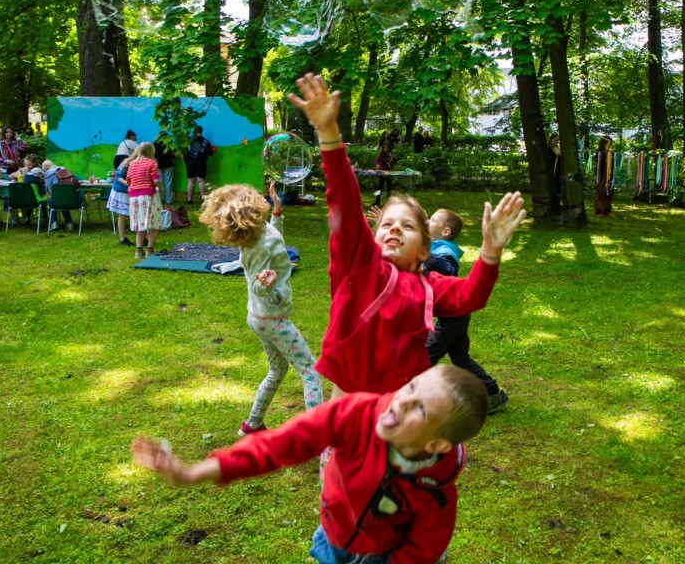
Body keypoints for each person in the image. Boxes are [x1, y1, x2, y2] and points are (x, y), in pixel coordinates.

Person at [289, 72, 526, 399]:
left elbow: (472, 296)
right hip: (350, 396)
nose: (395, 228)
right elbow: (343, 195)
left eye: (408, 226)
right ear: (372, 237)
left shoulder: (429, 285)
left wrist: (490, 252)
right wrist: (328, 133)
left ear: (424, 251)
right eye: (387, 224)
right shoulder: (359, 264)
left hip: (402, 402)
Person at [132, 364, 489, 564]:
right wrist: (193, 472)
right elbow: (279, 445)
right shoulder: (354, 415)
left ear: (436, 444)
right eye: (411, 387)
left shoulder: (436, 491)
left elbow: (422, 549)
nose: (402, 401)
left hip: (383, 554)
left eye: (421, 409)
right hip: (334, 535)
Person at [199, 182, 322, 437]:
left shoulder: (259, 233)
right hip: (272, 318)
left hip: (260, 317)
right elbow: (257, 287)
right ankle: (320, 436)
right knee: (310, 371)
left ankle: (253, 424)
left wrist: (277, 212)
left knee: (278, 369)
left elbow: (276, 240)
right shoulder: (258, 247)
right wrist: (265, 284)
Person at [423, 208, 509, 414]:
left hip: (454, 315)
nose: (427, 220)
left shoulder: (446, 250)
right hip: (452, 314)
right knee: (460, 358)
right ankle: (493, 393)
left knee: (425, 356)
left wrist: (426, 256)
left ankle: (417, 398)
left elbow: (449, 269)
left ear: (445, 231)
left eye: (432, 219)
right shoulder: (431, 245)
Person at [126, 141, 161, 258]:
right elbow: (156, 180)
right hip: (148, 196)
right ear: (151, 151)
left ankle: (138, 250)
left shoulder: (132, 164)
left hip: (134, 198)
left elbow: (129, 181)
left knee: (139, 224)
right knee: (155, 223)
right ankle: (149, 250)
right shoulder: (151, 163)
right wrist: (161, 189)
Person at [106, 153, 132, 247]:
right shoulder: (127, 162)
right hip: (121, 192)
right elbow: (118, 177)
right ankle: (122, 239)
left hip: (128, 191)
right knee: (122, 215)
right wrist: (129, 184)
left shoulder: (132, 162)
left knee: (131, 214)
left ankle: (141, 237)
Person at [183, 126, 213, 204]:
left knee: (191, 181)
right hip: (201, 162)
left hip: (190, 162)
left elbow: (182, 153)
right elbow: (210, 153)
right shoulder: (206, 141)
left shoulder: (188, 141)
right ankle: (204, 200)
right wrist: (213, 149)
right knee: (201, 181)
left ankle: (189, 200)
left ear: (194, 132)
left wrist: (186, 162)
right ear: (201, 131)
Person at [371, 140, 397, 208]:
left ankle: (388, 202)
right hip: (382, 173)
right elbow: (376, 160)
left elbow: (394, 163)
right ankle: (377, 201)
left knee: (389, 187)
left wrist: (394, 158)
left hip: (389, 173)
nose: (386, 149)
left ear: (389, 148)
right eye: (384, 148)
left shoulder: (391, 154)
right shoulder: (381, 154)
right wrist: (377, 165)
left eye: (387, 148)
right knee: (380, 187)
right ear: (383, 148)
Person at [593, 135, 614, 217]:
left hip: (609, 175)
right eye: (609, 143)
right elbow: (600, 164)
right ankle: (599, 211)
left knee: (609, 193)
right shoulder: (599, 152)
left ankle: (606, 211)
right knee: (600, 192)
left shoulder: (611, 152)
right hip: (601, 175)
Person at [153, 136, 177, 205]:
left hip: (158, 166)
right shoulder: (170, 143)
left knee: (159, 183)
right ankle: (168, 200)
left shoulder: (155, 144)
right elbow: (173, 154)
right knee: (168, 183)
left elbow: (154, 156)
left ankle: (159, 199)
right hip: (168, 165)